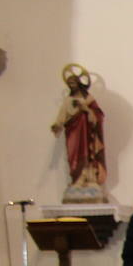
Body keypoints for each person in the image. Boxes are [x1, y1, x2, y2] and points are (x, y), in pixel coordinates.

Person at [50, 64, 106, 199]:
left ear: (79, 83)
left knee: (87, 155)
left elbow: (98, 116)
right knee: (73, 156)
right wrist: (57, 125)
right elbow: (62, 115)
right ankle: (77, 180)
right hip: (73, 132)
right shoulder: (68, 100)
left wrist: (85, 108)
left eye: (74, 82)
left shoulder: (89, 99)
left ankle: (89, 179)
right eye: (69, 83)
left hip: (87, 134)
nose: (72, 85)